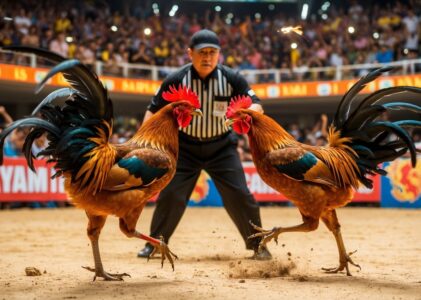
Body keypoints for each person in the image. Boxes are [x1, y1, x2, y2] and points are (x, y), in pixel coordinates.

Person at [137, 29, 271, 260]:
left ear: (219, 54)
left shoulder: (232, 78)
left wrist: (250, 112)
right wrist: (144, 143)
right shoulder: (175, 79)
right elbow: (152, 111)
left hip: (222, 148)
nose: (207, 57)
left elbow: (257, 103)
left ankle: (258, 245)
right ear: (190, 53)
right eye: (202, 52)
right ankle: (155, 243)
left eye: (212, 52)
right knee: (171, 195)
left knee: (240, 195)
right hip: (185, 149)